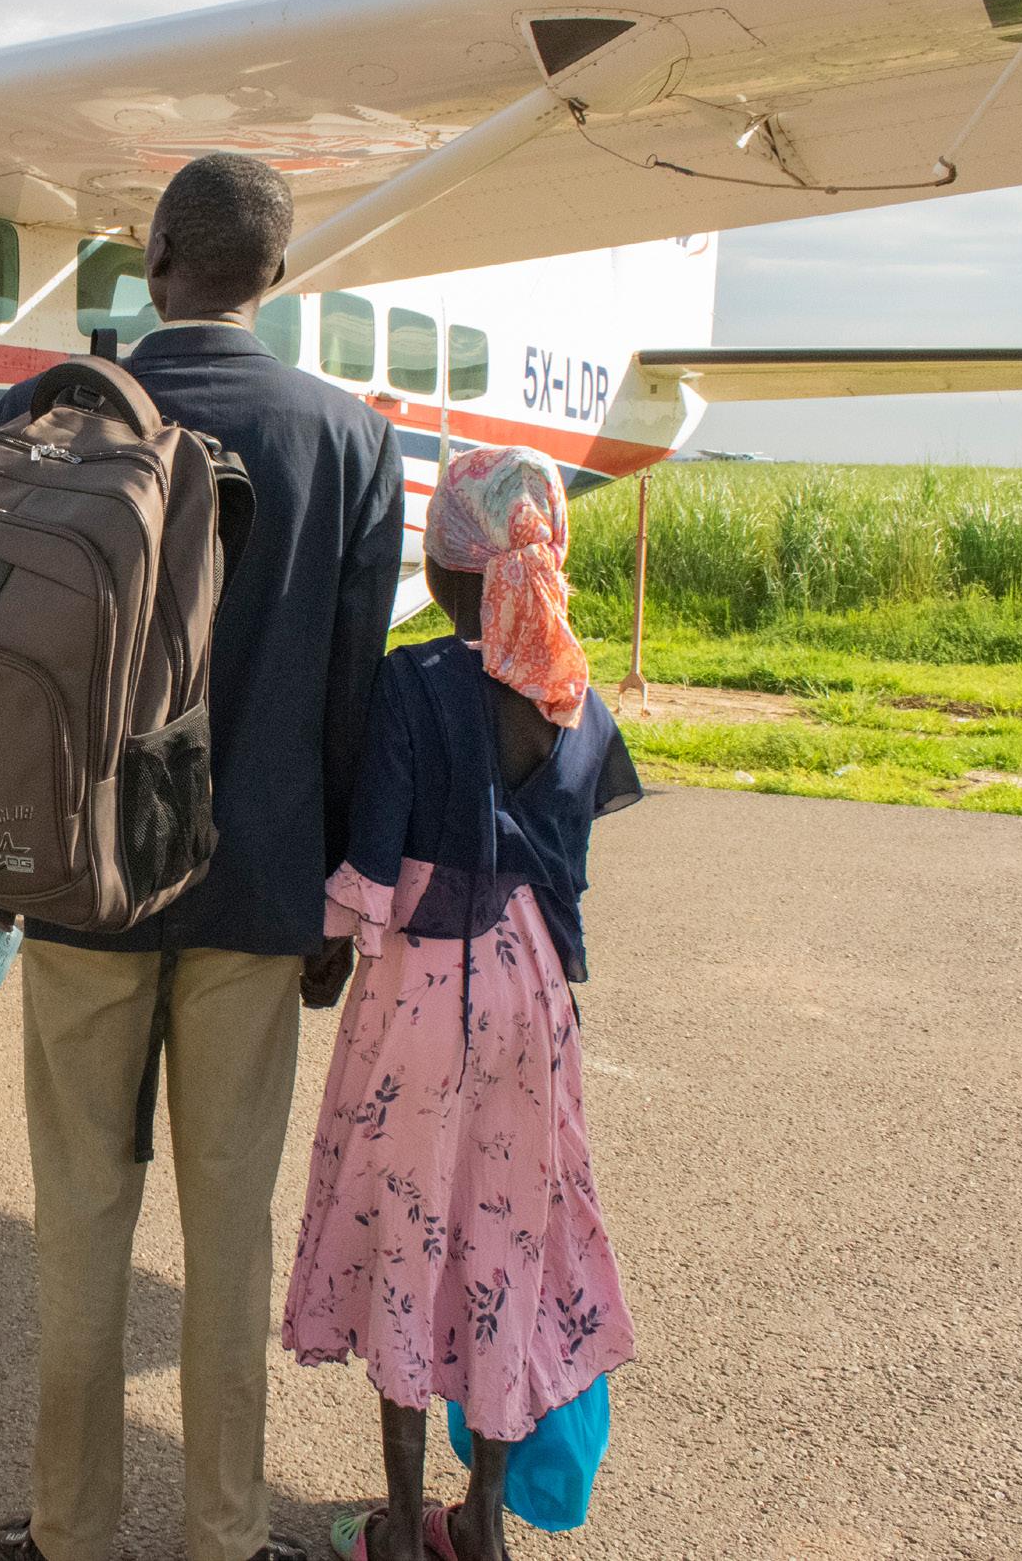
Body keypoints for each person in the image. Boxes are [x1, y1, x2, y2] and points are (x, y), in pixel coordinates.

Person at [0, 153, 404, 1561]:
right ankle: (225, 1532)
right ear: (274, 276)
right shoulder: (349, 439)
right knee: (230, 1225)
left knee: (78, 1216)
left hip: (82, 884)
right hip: (259, 888)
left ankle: (72, 1529)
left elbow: (1, 665)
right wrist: (335, 895)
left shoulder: (51, 411)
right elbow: (351, 692)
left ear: (153, 254)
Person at [281, 446, 641, 1561]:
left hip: (422, 997)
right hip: (535, 998)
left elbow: (372, 866)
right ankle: (479, 1519)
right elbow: (566, 873)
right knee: (501, 1240)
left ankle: (399, 1525)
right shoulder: (576, 701)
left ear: (441, 573)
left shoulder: (414, 681)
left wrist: (320, 954)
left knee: (408, 1232)